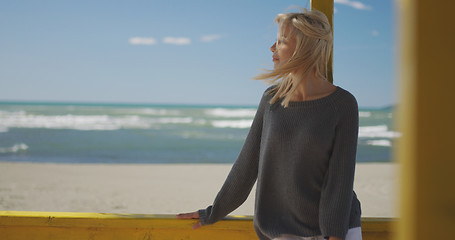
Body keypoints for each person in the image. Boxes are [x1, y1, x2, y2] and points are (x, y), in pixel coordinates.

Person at [177, 8, 362, 240]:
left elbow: (340, 180)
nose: (272, 49)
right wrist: (214, 212)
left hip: (338, 229)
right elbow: (247, 163)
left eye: (281, 41)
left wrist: (333, 236)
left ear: (304, 47)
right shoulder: (271, 99)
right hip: (281, 228)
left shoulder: (343, 104)